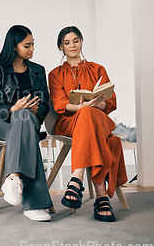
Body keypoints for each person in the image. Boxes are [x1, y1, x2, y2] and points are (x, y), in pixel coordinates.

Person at [48, 26, 127, 222]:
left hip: (97, 117)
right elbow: (60, 104)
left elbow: (110, 102)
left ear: (81, 41)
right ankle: (102, 197)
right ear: (61, 47)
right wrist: (82, 108)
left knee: (89, 116)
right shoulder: (55, 74)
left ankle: (76, 179)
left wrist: (96, 104)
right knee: (86, 116)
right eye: (67, 43)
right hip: (69, 121)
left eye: (75, 40)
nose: (72, 45)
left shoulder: (98, 69)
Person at [0, 25, 53, 221]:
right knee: (23, 120)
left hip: (27, 122)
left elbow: (45, 103)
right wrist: (12, 109)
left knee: (25, 118)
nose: (32, 49)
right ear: (14, 46)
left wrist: (36, 111)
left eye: (33, 44)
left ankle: (13, 178)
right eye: (27, 45)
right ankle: (34, 204)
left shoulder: (38, 70)